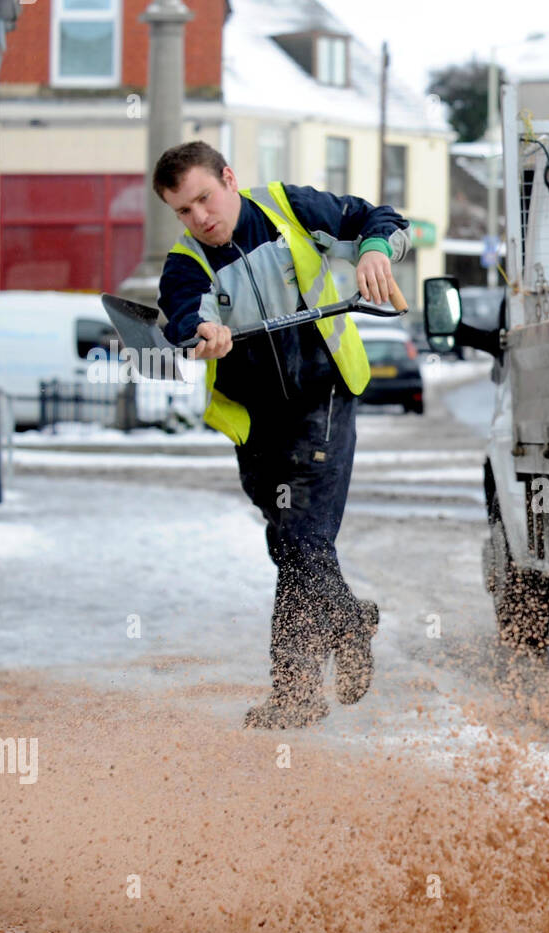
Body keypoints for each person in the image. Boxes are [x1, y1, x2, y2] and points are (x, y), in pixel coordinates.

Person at [154, 141, 410, 730]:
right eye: (184, 211)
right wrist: (199, 332)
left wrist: (373, 251)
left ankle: (309, 671)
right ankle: (337, 633)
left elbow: (379, 220)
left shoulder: (289, 208)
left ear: (229, 178)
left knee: (301, 538)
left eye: (205, 199)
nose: (200, 218)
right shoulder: (186, 261)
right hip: (256, 423)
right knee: (291, 547)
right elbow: (180, 316)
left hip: (321, 398)